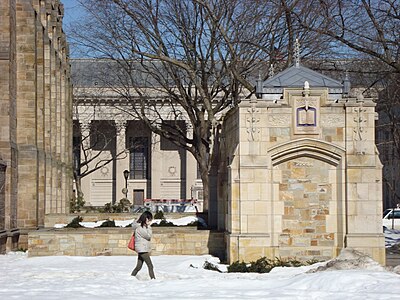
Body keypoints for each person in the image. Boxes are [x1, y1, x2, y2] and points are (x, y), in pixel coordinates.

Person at [131, 211, 155, 279]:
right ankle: (153, 279)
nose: (150, 221)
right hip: (142, 249)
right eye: (149, 219)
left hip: (142, 249)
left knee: (138, 267)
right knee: (150, 265)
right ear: (146, 219)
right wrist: (149, 226)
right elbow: (148, 236)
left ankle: (131, 277)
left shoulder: (142, 227)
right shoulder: (140, 228)